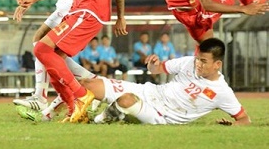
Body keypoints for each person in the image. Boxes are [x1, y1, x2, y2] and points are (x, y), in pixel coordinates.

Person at [80, 38, 251, 126]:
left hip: (160, 115)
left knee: (126, 100)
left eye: (203, 61)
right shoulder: (188, 62)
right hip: (150, 91)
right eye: (198, 59)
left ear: (217, 64)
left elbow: (244, 119)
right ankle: (59, 112)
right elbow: (158, 69)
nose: (198, 64)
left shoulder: (222, 91)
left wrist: (234, 126)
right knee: (89, 84)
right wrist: (153, 65)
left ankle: (99, 120)